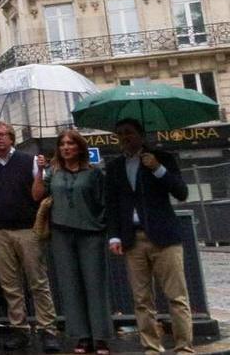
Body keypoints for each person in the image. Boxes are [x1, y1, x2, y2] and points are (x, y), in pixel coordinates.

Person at [105, 118, 193, 355]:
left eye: (130, 133)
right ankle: (152, 347)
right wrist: (114, 237)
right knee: (142, 299)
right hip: (133, 239)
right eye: (121, 134)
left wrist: (157, 169)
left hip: (165, 238)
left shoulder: (162, 159)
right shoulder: (114, 168)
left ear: (141, 135)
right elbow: (112, 205)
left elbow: (181, 192)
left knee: (176, 296)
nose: (126, 138)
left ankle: (184, 347)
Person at [0, 122, 60, 351]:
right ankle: (20, 328)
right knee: (10, 284)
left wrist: (41, 172)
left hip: (27, 229)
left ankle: (48, 329)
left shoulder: (30, 160)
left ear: (11, 138)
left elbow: (38, 195)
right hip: (0, 231)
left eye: (3, 134)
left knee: (38, 280)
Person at [32, 130, 111, 355]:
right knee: (70, 286)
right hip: (61, 235)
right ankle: (82, 336)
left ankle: (101, 336)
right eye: (63, 144)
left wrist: (101, 226)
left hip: (90, 234)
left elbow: (103, 202)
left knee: (95, 286)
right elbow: (37, 195)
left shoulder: (93, 173)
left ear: (79, 147)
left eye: (71, 143)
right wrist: (39, 170)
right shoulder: (53, 172)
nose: (66, 147)